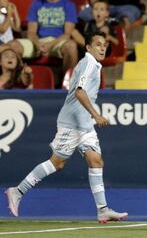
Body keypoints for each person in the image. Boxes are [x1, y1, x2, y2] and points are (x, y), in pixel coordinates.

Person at [5, 31, 128, 223]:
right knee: (57, 163)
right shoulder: (88, 64)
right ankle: (17, 191)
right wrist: (96, 115)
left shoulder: (94, 65)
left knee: (95, 161)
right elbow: (79, 92)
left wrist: (90, 117)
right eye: (98, 44)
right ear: (88, 48)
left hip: (84, 124)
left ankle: (102, 209)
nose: (103, 48)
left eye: (104, 44)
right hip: (71, 123)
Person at [8, 0, 78, 85]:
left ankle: (69, 86)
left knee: (71, 46)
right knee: (12, 46)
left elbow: (67, 34)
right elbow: (31, 32)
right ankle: (13, 83)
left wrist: (50, 44)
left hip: (58, 42)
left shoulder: (68, 5)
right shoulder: (36, 3)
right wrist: (37, 44)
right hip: (39, 41)